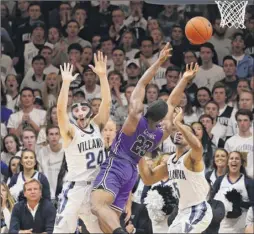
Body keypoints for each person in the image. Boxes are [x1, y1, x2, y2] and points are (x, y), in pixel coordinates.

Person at [91, 43, 199, 234]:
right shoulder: (160, 132)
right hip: (132, 173)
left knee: (97, 206)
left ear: (147, 109)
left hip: (116, 164)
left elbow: (141, 83)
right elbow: (172, 102)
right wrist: (184, 80)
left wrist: (158, 61)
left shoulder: (134, 119)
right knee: (106, 224)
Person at [53, 51, 111, 233]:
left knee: (99, 231)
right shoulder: (70, 131)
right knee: (62, 230)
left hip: (95, 189)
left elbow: (107, 103)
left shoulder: (96, 126)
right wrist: (66, 83)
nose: (79, 109)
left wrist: (102, 76)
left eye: (83, 106)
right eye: (75, 107)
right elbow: (60, 110)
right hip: (75, 189)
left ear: (89, 110)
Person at [138, 107, 213, 233]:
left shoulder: (191, 157)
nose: (179, 132)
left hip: (198, 208)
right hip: (182, 211)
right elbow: (148, 179)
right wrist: (139, 152)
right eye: (177, 131)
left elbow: (198, 147)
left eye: (183, 132)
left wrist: (178, 123)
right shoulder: (170, 160)